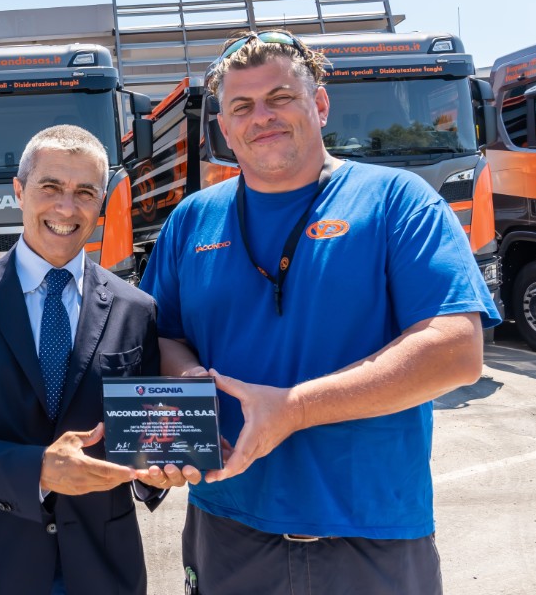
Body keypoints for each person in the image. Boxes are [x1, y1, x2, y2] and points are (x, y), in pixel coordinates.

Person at [137, 30, 500, 594]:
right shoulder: (191, 219)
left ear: (320, 104)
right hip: (226, 524)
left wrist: (295, 408)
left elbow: (456, 350)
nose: (262, 117)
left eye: (280, 97)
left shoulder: (398, 201)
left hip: (371, 533)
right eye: (242, 107)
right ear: (225, 129)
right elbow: (161, 336)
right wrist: (189, 384)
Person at [0, 125, 164, 595]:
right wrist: (37, 470)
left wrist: (160, 471)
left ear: (101, 203)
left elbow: (143, 434)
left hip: (102, 570)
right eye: (51, 187)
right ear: (19, 192)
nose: (66, 208)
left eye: (85, 192)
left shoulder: (136, 309)